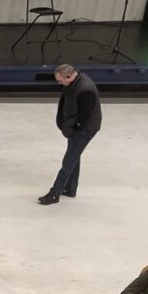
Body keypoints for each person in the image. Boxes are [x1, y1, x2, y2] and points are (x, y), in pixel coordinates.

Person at [39, 63, 101, 205]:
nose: (59, 83)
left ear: (69, 76)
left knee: (69, 160)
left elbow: (84, 117)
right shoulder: (73, 83)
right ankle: (70, 189)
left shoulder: (85, 90)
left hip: (84, 129)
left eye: (60, 80)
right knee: (74, 156)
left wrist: (74, 129)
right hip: (76, 127)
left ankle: (54, 194)